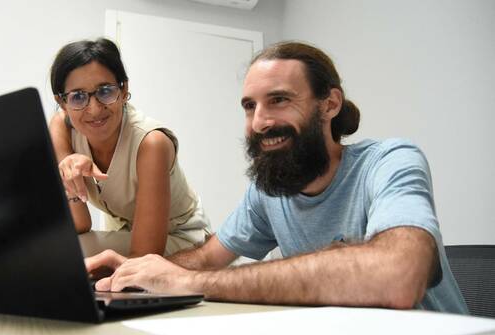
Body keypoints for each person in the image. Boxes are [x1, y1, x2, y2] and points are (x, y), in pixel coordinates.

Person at [85, 41, 468, 313]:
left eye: (279, 100)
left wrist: (190, 283)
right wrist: (140, 269)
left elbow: (397, 276)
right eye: (250, 106)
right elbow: (207, 257)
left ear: (330, 104)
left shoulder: (390, 162)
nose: (260, 122)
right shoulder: (269, 190)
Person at [49, 38, 212, 259]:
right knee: (56, 248)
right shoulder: (61, 127)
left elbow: (145, 256)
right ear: (62, 103)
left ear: (124, 89)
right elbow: (79, 223)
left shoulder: (151, 144)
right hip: (127, 232)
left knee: (68, 254)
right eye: (78, 97)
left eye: (105, 91)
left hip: (184, 240)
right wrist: (68, 180)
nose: (95, 109)